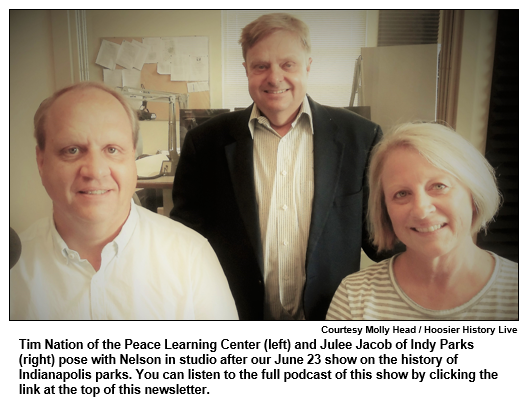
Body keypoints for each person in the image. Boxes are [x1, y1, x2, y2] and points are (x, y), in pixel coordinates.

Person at [171, 13, 387, 320]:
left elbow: (381, 241)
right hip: (235, 317)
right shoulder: (204, 142)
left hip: (331, 318)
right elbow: (184, 240)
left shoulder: (362, 138)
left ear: (308, 66)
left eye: (288, 64)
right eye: (260, 66)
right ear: (246, 69)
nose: (274, 78)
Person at [10, 82, 238, 320]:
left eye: (112, 149)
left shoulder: (192, 256)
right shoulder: (11, 270)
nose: (95, 171)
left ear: (133, 158)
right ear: (41, 161)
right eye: (72, 150)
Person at [326, 122, 518, 320]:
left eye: (439, 186)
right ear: (385, 210)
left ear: (473, 195)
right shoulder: (354, 295)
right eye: (401, 193)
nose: (421, 210)